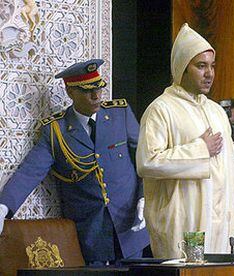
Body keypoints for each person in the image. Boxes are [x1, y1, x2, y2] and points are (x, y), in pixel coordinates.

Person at [0, 59, 149, 265]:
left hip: (130, 229)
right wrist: (3, 206)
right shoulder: (56, 131)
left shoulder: (119, 115)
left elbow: (147, 159)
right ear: (70, 92)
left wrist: (144, 197)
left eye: (98, 88)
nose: (96, 96)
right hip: (91, 236)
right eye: (88, 90)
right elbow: (30, 171)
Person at [137, 23, 234, 258]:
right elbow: (147, 162)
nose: (209, 73)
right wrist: (200, 149)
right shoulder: (161, 109)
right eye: (201, 66)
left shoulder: (216, 112)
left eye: (212, 66)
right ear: (182, 68)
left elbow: (233, 169)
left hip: (221, 224)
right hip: (183, 221)